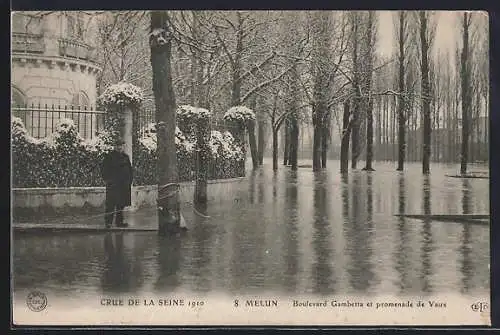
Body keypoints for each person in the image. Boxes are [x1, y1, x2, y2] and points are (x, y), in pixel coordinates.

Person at [101, 139, 133, 228]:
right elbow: (104, 169)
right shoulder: (109, 157)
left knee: (121, 204)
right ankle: (108, 222)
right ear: (114, 146)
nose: (119, 147)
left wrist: (129, 181)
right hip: (113, 185)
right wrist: (108, 180)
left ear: (123, 146)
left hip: (123, 185)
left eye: (121, 145)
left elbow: (130, 170)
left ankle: (119, 222)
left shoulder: (126, 157)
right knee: (110, 204)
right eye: (117, 145)